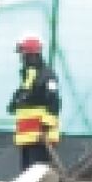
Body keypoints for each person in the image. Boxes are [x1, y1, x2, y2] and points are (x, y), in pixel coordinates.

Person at [10, 36, 62, 170]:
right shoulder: (29, 76)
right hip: (28, 137)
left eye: (23, 54)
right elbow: (28, 98)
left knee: (37, 176)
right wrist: (15, 102)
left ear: (32, 55)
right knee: (27, 175)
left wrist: (46, 125)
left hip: (40, 137)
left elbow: (54, 102)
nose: (21, 58)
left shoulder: (47, 75)